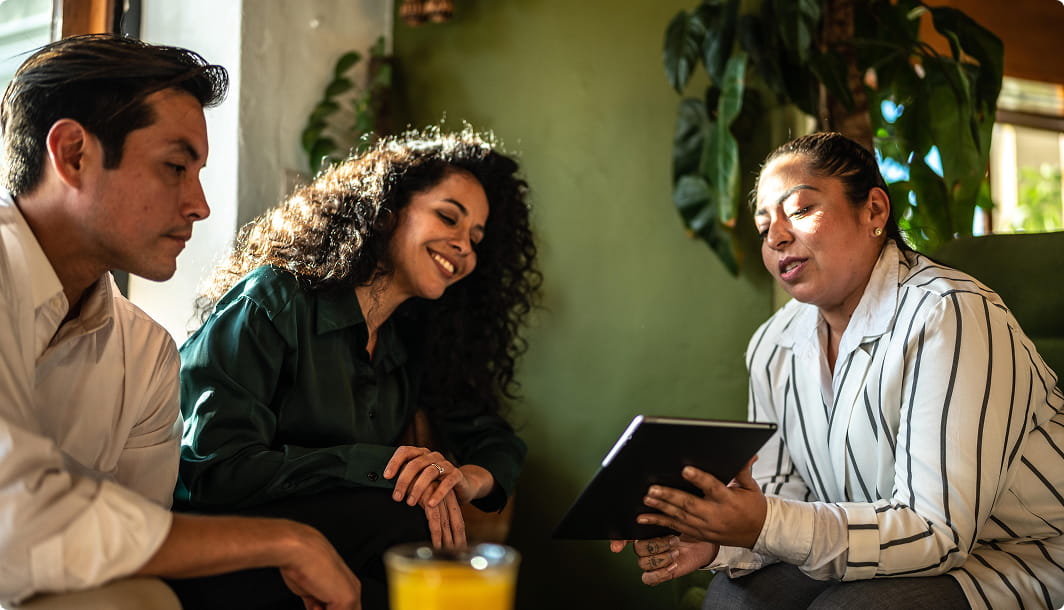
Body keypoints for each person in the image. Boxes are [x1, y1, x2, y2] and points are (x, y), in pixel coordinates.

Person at [612, 132, 1064, 609]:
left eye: (802, 210)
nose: (777, 236)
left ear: (874, 210)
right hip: (891, 552)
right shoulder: (772, 345)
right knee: (735, 596)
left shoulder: (948, 314)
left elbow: (938, 531)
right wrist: (719, 539)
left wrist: (763, 524)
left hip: (1025, 553)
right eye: (764, 225)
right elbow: (781, 496)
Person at [0, 34, 360, 609]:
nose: (200, 204)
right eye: (174, 166)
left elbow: (131, 551)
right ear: (72, 154)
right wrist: (288, 541)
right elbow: (14, 518)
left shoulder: (146, 354)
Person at [170, 127, 540, 608]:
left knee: (423, 541)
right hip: (229, 551)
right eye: (448, 218)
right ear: (386, 213)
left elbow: (496, 441)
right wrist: (378, 466)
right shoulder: (275, 299)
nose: (464, 247)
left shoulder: (409, 344)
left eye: (475, 238)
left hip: (340, 556)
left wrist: (466, 477)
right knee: (407, 516)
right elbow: (212, 472)